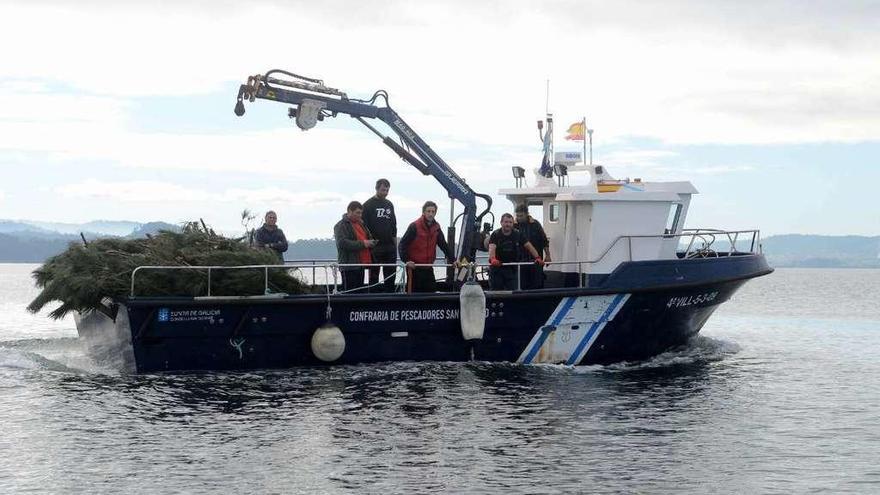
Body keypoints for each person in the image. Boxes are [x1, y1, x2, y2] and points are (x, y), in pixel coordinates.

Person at [398, 201, 455, 293]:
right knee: (413, 295)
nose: (430, 214)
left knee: (431, 292)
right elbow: (402, 244)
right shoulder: (414, 226)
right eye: (428, 211)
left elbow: (444, 245)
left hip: (428, 267)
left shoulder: (436, 227)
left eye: (433, 212)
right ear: (423, 212)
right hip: (414, 268)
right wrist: (407, 260)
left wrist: (454, 260)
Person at [488, 213, 543, 290]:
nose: (508, 224)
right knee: (496, 290)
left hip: (512, 268)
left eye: (510, 222)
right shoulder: (495, 234)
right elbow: (492, 247)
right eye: (506, 222)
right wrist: (493, 259)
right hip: (497, 268)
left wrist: (537, 257)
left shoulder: (518, 234)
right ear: (501, 222)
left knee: (513, 290)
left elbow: (529, 246)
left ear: (513, 224)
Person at [363, 178, 398, 293]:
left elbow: (393, 225)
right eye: (383, 190)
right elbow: (364, 226)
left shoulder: (389, 204)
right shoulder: (368, 205)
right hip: (375, 246)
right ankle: (373, 298)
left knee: (390, 276)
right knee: (374, 276)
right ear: (377, 189)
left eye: (387, 190)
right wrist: (369, 242)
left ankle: (390, 297)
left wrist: (394, 244)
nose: (385, 192)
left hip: (389, 246)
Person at [333, 201, 376, 293]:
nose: (360, 215)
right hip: (349, 265)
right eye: (357, 213)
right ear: (349, 211)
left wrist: (371, 242)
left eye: (361, 213)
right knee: (349, 293)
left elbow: (368, 237)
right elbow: (342, 243)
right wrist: (363, 244)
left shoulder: (361, 224)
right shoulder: (340, 226)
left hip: (360, 265)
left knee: (359, 293)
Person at [514, 204, 551, 289]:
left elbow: (544, 240)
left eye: (521, 216)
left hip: (536, 260)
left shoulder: (535, 224)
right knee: (521, 284)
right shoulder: (514, 226)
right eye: (517, 216)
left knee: (537, 283)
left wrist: (548, 256)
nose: (519, 218)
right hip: (520, 261)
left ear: (527, 214)